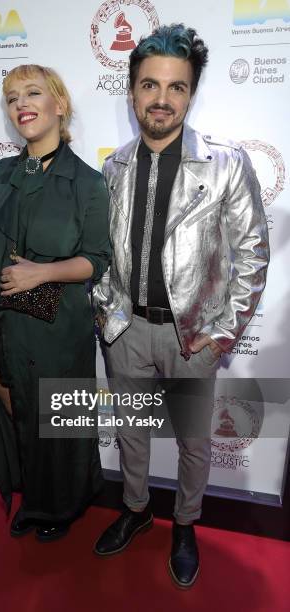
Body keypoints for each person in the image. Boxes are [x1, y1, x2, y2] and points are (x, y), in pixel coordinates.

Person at [93, 24, 269, 587]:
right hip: (126, 331)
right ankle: (137, 508)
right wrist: (106, 316)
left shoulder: (226, 164)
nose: (161, 98)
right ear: (132, 92)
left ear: (190, 94)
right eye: (149, 85)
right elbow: (99, 254)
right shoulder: (113, 168)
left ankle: (185, 523)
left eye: (175, 87)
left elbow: (253, 254)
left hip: (192, 335)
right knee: (131, 432)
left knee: (194, 441)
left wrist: (222, 332)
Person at [0, 64, 111, 541]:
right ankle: (31, 495)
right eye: (11, 98)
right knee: (16, 411)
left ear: (59, 105)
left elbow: (96, 259)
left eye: (33, 93)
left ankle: (60, 508)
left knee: (56, 422)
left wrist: (41, 272)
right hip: (1, 321)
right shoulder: (1, 174)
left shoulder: (87, 182)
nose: (21, 104)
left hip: (56, 327)